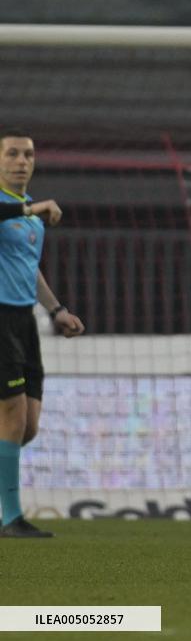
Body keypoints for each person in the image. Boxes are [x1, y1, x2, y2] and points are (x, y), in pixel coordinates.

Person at [0, 128, 85, 538]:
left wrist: (56, 309)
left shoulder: (27, 214)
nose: (21, 161)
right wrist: (32, 211)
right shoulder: (17, 210)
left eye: (28, 154)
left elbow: (28, 268)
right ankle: (11, 518)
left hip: (24, 321)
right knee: (12, 415)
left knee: (27, 426)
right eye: (12, 153)